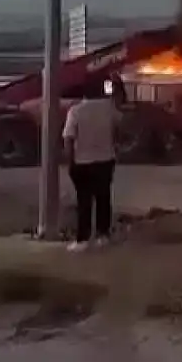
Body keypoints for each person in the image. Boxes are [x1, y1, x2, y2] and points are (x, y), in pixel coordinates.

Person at [63, 79, 118, 252]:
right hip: (105, 160)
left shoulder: (76, 111)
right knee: (103, 199)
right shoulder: (109, 109)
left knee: (84, 201)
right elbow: (120, 127)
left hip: (83, 163)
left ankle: (83, 240)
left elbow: (68, 139)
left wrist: (69, 163)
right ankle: (103, 236)